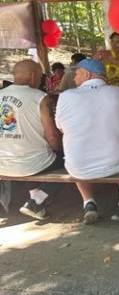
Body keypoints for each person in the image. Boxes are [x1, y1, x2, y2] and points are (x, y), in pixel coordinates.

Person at [55, 59, 119, 224]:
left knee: (76, 154)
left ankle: (89, 202)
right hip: (116, 164)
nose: (74, 78)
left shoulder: (65, 96)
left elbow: (62, 128)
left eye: (76, 73)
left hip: (77, 168)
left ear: (87, 74)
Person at [0, 60, 62, 220]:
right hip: (30, 164)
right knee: (70, 162)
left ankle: (36, 202)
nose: (40, 81)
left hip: (2, 163)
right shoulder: (40, 97)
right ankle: (36, 200)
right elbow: (52, 136)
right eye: (41, 77)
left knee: (31, 153)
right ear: (33, 75)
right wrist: (60, 151)